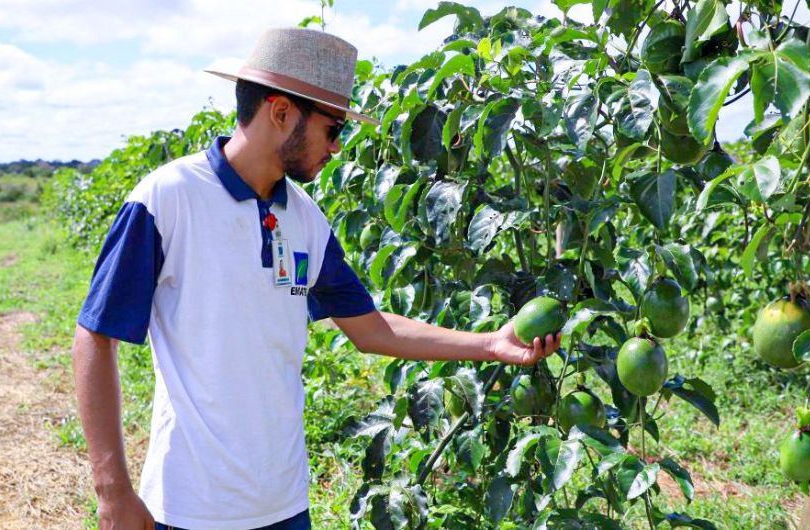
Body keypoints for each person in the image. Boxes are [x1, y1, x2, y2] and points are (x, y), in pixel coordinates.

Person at [71, 27, 562, 530]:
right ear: (281, 112)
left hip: (284, 501)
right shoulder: (168, 198)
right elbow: (95, 334)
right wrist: (113, 493)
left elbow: (371, 329)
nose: (338, 148)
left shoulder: (304, 218)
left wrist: (490, 344)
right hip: (194, 504)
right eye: (334, 130)